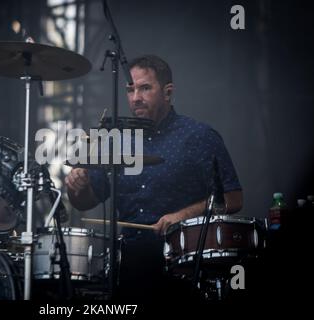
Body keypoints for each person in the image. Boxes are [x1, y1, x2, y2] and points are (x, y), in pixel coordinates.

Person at [65, 55, 243, 300]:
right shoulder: (115, 141)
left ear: (168, 92)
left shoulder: (200, 136)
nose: (135, 97)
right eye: (130, 89)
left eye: (145, 88)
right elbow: (84, 201)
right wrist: (77, 186)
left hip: (182, 261)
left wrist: (182, 216)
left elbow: (233, 198)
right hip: (128, 262)